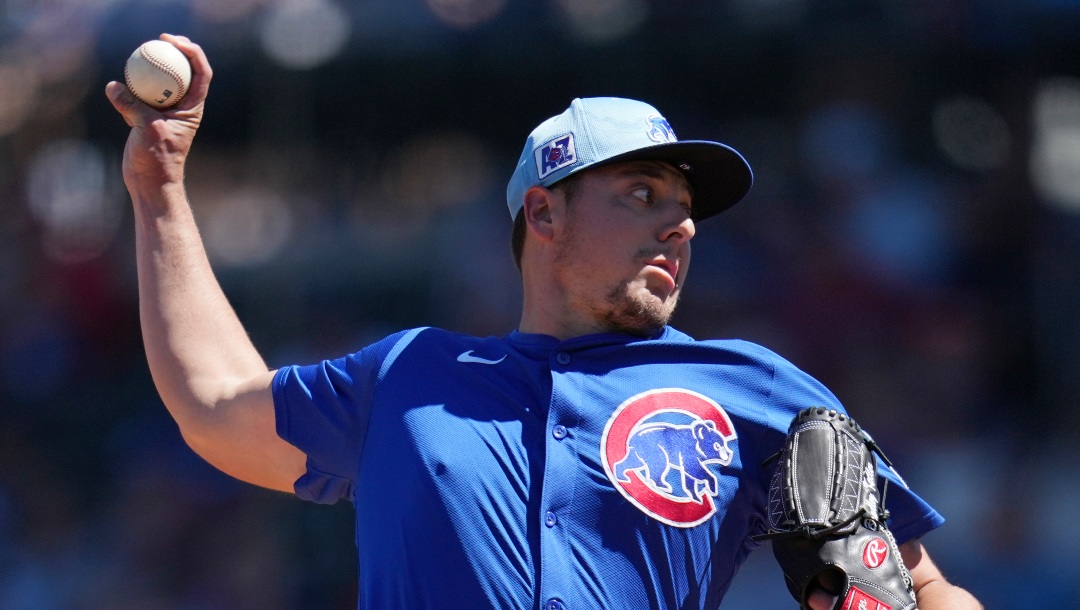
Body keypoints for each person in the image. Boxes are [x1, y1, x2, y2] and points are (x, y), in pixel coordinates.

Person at [106, 34, 982, 610]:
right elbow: (215, 403)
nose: (678, 224)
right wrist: (160, 189)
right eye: (641, 193)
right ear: (544, 212)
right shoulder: (407, 375)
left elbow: (928, 588)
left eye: (684, 208)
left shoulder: (751, 388)